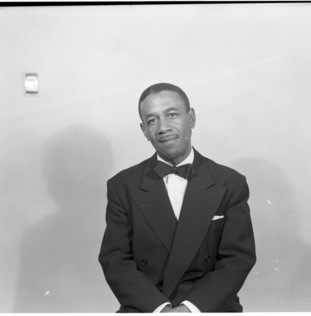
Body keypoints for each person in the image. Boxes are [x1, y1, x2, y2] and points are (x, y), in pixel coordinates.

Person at [98, 83, 256, 313]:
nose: (162, 127)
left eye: (172, 115)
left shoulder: (230, 183)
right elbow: (115, 261)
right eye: (152, 120)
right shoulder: (122, 186)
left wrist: (189, 309)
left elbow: (237, 259)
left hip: (207, 307)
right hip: (147, 307)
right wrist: (160, 309)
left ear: (191, 118)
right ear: (144, 130)